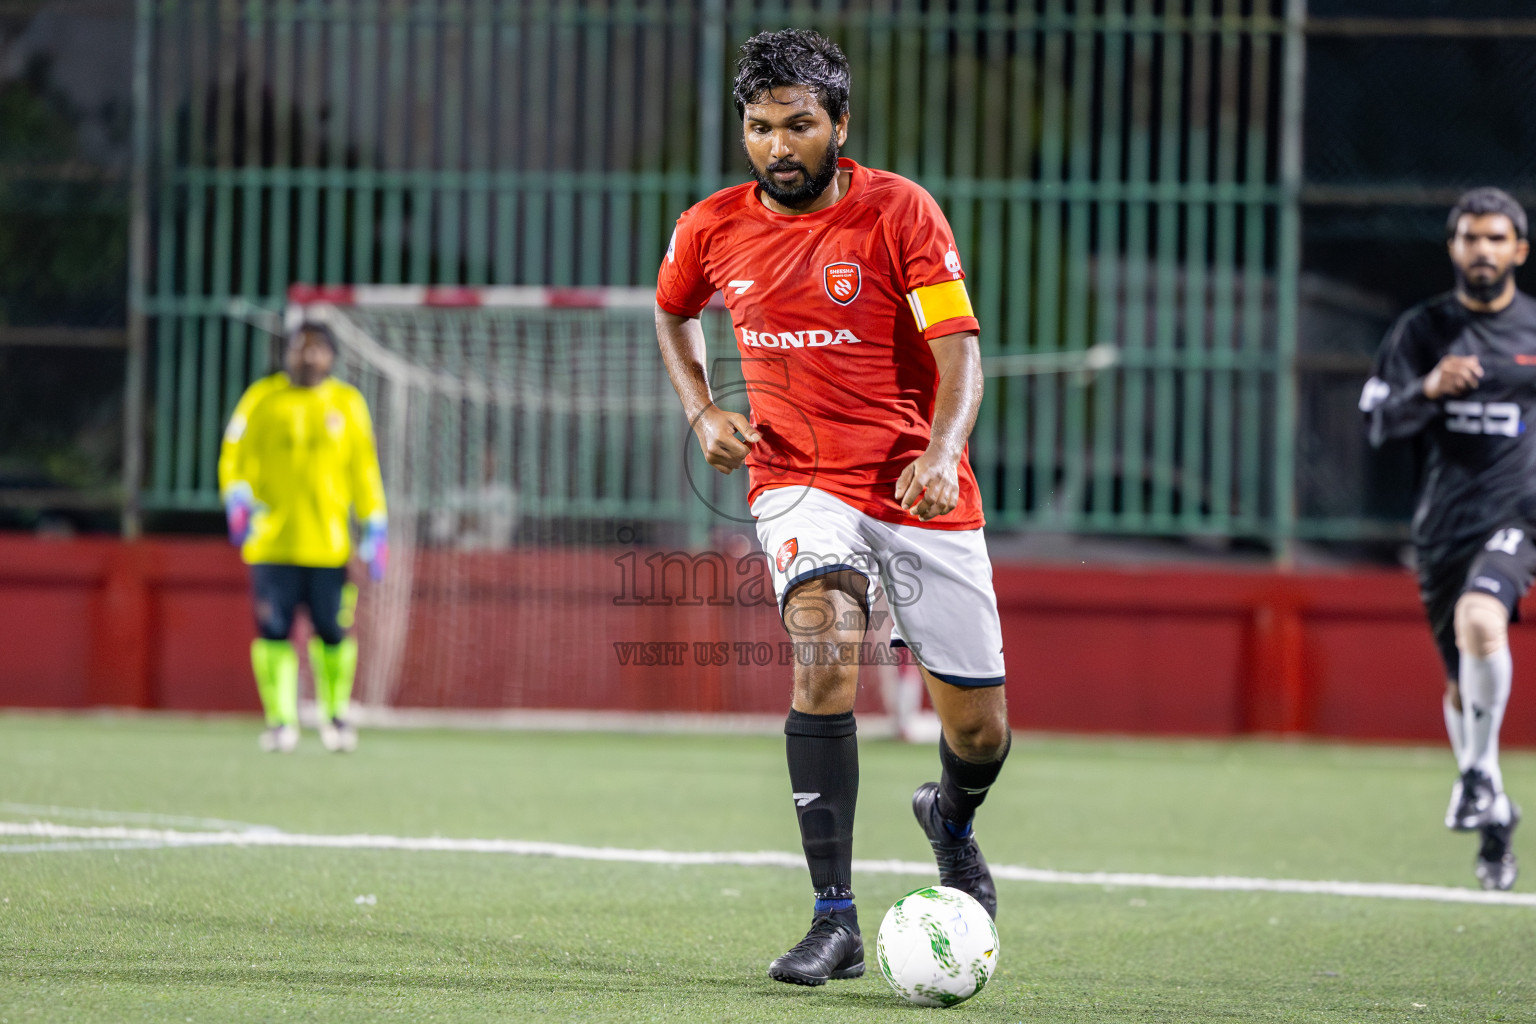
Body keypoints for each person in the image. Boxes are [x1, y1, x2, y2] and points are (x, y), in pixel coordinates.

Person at [655, 29, 1011, 985]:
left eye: (799, 125)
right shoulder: (710, 227)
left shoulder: (901, 213)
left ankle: (951, 817)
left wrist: (942, 451)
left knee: (980, 734)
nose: (778, 146)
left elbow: (960, 354)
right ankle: (836, 917)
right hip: (797, 479)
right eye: (761, 127)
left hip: (915, 484)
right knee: (823, 646)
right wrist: (703, 412)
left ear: (839, 125)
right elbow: (673, 309)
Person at [1361, 187, 1534, 891]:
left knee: (1481, 620)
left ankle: (1471, 775)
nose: (1483, 250)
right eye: (1471, 237)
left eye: (1497, 238)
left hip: (1519, 517)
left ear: (1519, 250)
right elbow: (1376, 422)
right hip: (1441, 533)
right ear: (1453, 247)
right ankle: (1495, 818)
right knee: (1465, 686)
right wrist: (1428, 388)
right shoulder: (1422, 331)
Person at [218, 322, 388, 754]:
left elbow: (364, 470)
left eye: (317, 350)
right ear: (287, 353)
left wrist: (375, 524)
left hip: (329, 546)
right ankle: (281, 722)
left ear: (331, 357)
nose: (307, 357)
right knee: (273, 631)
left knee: (332, 632)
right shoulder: (262, 399)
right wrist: (235, 497)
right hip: (272, 544)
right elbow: (233, 457)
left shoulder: (347, 404)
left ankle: (335, 717)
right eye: (300, 349)